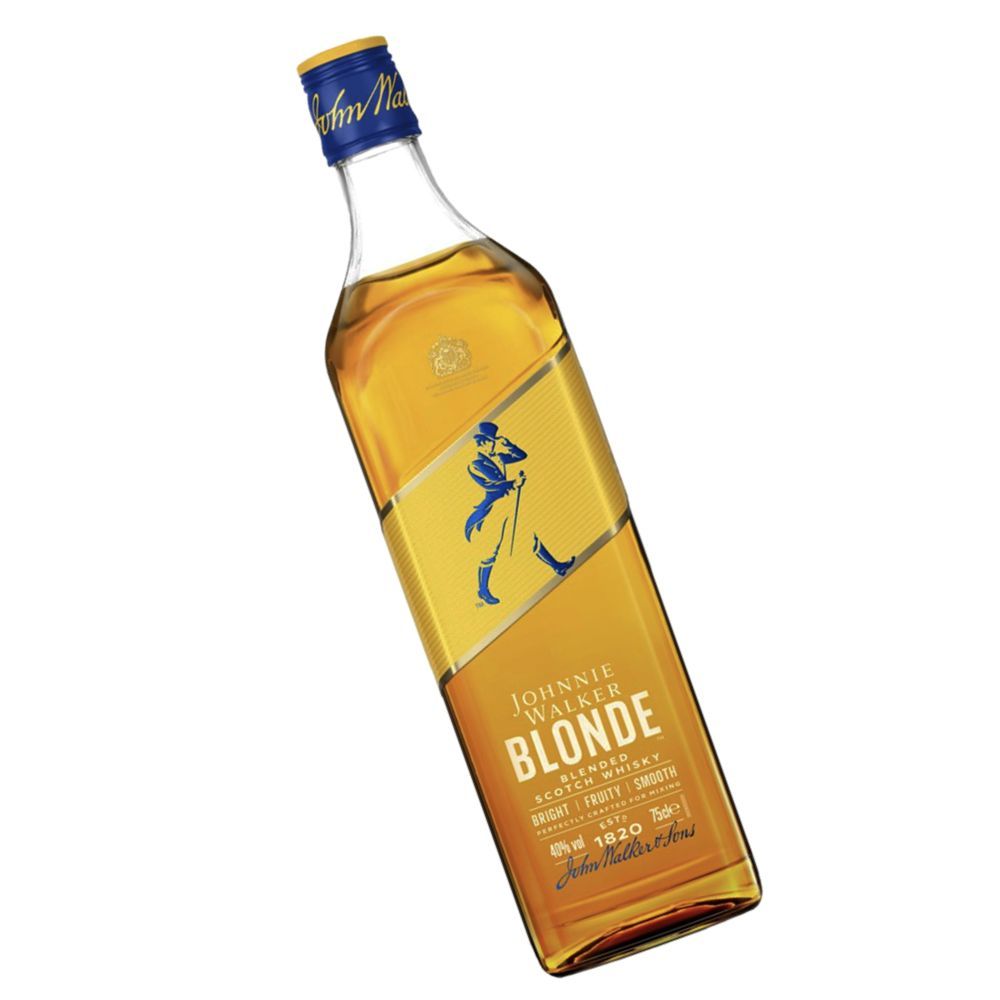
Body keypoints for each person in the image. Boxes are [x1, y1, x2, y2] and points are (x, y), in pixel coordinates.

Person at [464, 421, 575, 605]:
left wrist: (508, 444)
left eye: (493, 441)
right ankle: (483, 590)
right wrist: (513, 483)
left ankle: (557, 566)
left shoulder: (499, 457)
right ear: (482, 442)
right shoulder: (475, 464)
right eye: (490, 441)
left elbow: (521, 455)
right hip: (492, 509)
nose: (492, 444)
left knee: (529, 536)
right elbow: (489, 485)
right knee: (490, 549)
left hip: (507, 505)